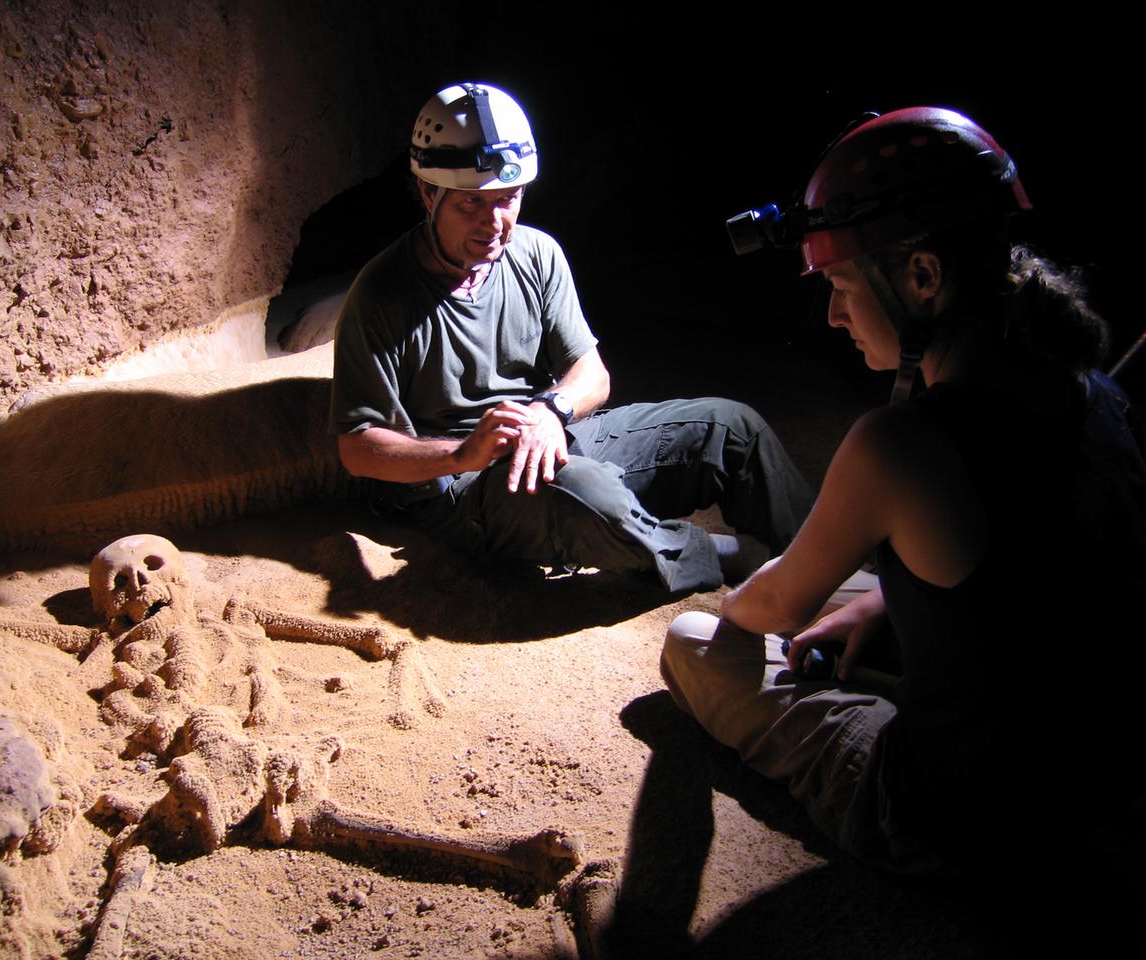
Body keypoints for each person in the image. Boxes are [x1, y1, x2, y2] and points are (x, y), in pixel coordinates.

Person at [660, 108, 1146, 884]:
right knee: (867, 589)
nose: (833, 314)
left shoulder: (903, 443)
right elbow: (1036, 567)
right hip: (1098, 782)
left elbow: (773, 608)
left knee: (694, 642)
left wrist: (746, 611)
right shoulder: (1091, 388)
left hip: (962, 823)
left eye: (844, 284)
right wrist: (887, 603)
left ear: (922, 275)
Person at [330, 82, 813, 592]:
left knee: (731, 426)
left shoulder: (536, 253)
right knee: (588, 491)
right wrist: (461, 454)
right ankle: (730, 556)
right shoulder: (381, 295)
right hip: (463, 486)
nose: (493, 223)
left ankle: (830, 564)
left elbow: (592, 375)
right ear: (429, 193)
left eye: (508, 198)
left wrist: (550, 412)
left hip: (548, 435)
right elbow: (358, 446)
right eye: (471, 204)